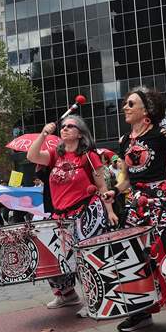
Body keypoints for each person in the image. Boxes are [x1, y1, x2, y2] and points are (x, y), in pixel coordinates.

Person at [104, 86, 166, 332]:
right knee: (132, 260)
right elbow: (126, 178)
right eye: (125, 103)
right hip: (136, 207)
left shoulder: (161, 134)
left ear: (146, 110)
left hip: (161, 205)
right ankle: (141, 312)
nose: (125, 107)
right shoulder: (124, 140)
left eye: (131, 104)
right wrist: (115, 190)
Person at [27, 115, 118, 310]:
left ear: (80, 133)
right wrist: (43, 133)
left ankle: (95, 300)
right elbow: (32, 156)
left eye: (71, 126)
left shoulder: (89, 156)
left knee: (85, 258)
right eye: (63, 126)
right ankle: (67, 295)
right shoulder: (55, 154)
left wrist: (109, 211)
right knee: (53, 257)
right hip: (60, 216)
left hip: (86, 212)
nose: (65, 128)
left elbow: (102, 185)